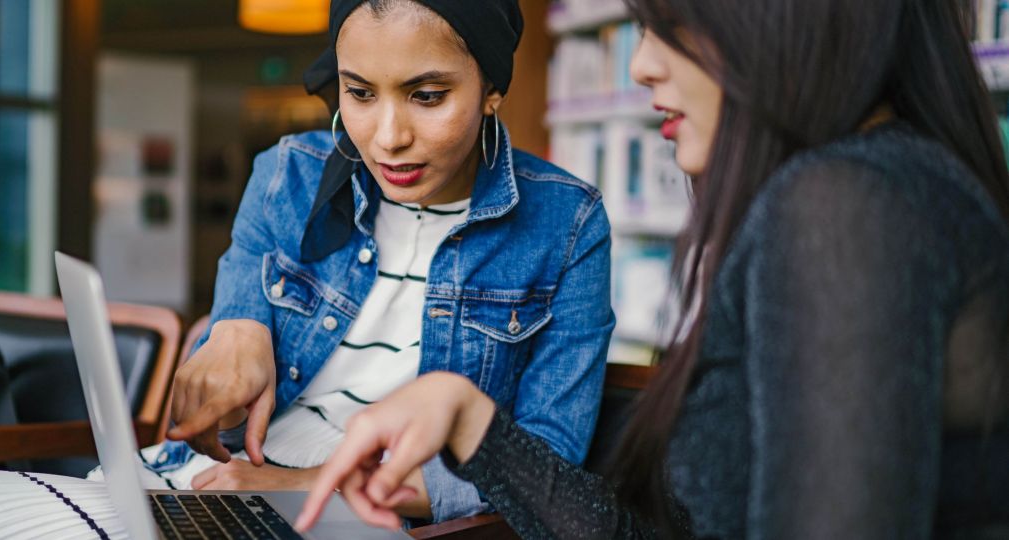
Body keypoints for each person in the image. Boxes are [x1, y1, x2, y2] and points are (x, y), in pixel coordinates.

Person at [296, 0, 1009, 537]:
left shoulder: (846, 206)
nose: (641, 64)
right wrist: (468, 419)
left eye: (670, 21)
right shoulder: (882, 186)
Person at [153, 0, 615, 525]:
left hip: (368, 518)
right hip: (213, 483)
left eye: (427, 96)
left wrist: (307, 488)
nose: (389, 137)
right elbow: (231, 429)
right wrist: (232, 349)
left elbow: (542, 467)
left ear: (492, 90)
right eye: (360, 93)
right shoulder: (287, 175)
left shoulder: (568, 224)